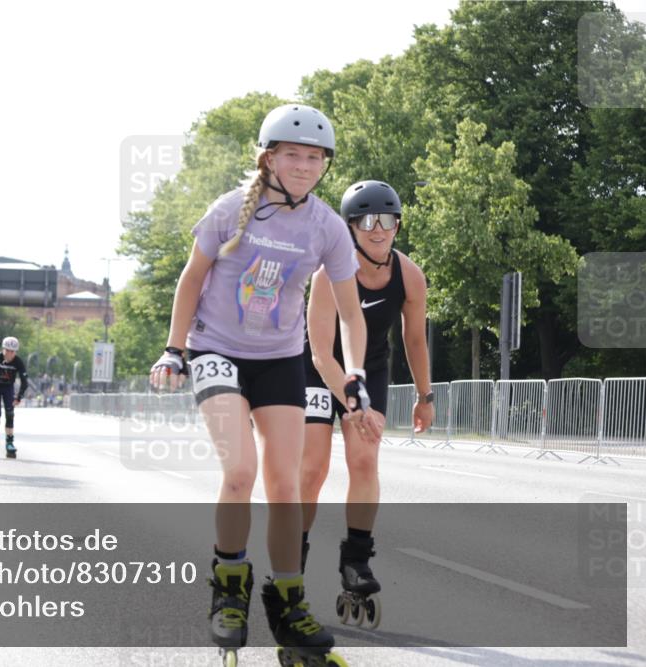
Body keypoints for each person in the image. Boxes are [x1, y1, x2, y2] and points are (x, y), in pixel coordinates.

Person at [149, 104, 378, 666]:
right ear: (269, 157)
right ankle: (229, 586)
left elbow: (351, 311)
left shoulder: (325, 225)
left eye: (315, 158)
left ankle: (289, 600)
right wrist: (174, 348)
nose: (305, 166)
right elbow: (191, 279)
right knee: (240, 472)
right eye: (293, 155)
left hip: (279, 359)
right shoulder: (231, 209)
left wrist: (355, 372)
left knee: (286, 488)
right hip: (217, 350)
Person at [300, 180, 433, 629]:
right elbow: (320, 354)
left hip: (371, 366)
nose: (379, 230)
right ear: (350, 227)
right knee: (312, 469)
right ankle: (290, 563)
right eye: (368, 221)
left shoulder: (409, 275)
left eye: (389, 221)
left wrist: (424, 396)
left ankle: (356, 560)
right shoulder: (327, 275)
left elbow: (414, 339)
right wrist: (351, 402)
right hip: (317, 370)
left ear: (398, 225)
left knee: (363, 461)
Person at [0, 337, 29, 458]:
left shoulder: (18, 361)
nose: (10, 354)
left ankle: (9, 442)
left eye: (13, 352)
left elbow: (25, 382)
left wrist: (19, 397)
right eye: (8, 351)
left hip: (8, 388)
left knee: (10, 413)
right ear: (3, 349)